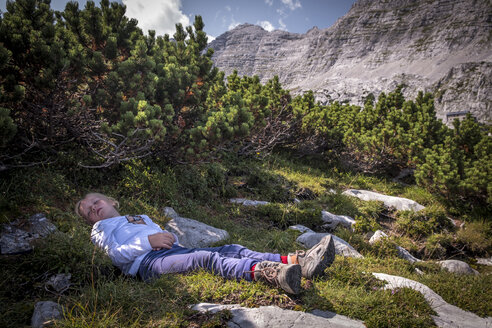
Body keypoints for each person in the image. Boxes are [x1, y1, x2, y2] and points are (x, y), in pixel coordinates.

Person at [76, 192, 335, 294]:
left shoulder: (138, 217)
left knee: (230, 249)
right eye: (87, 211)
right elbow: (116, 257)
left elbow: (162, 239)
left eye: (95, 202)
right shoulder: (99, 230)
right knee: (205, 259)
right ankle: (272, 275)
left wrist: (167, 238)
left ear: (110, 201)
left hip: (171, 252)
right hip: (146, 264)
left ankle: (296, 261)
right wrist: (149, 241)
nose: (93, 209)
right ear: (90, 221)